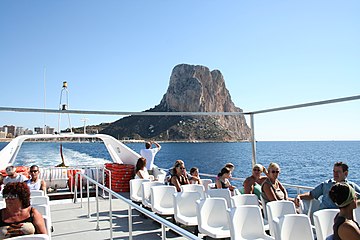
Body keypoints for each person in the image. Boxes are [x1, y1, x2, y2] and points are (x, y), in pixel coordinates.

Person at [295, 162, 360, 210]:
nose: (335, 174)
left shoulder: (351, 187)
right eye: (334, 171)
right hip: (323, 216)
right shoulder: (326, 184)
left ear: (345, 173)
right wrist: (300, 196)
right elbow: (312, 194)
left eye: (338, 172)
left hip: (341, 216)